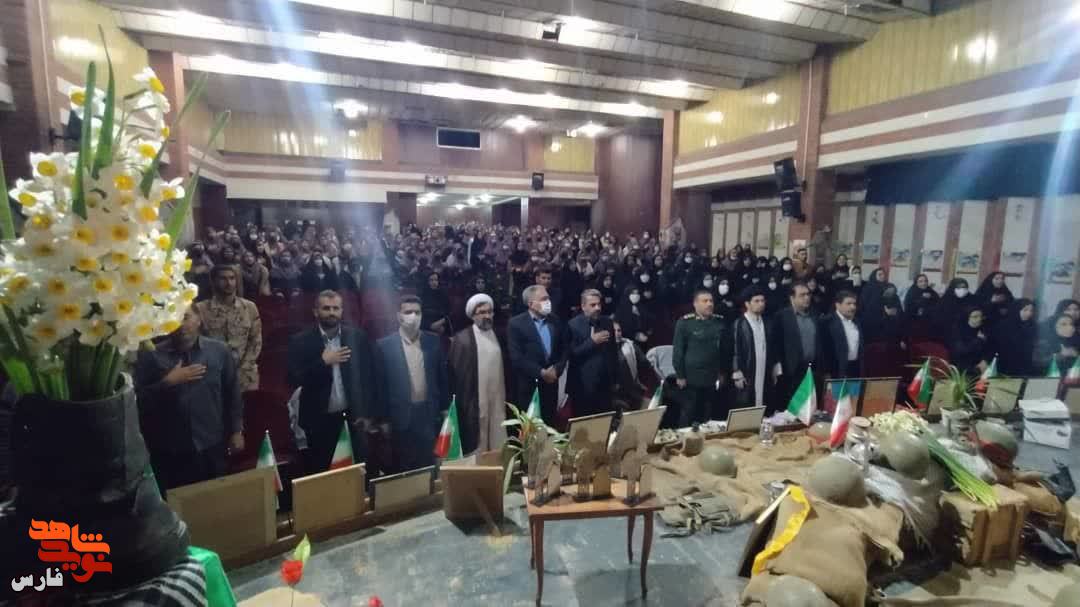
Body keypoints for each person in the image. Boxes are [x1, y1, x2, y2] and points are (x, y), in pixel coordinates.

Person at [135, 306, 243, 492]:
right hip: (170, 450)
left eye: (185, 317)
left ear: (199, 319)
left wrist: (236, 431)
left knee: (216, 498)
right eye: (174, 318)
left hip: (212, 443)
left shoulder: (219, 351)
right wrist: (168, 382)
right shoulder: (152, 356)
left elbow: (232, 392)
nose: (181, 324)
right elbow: (139, 401)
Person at [287, 290, 380, 474]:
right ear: (315, 311)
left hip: (353, 419)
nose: (331, 312)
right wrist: (323, 362)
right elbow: (292, 379)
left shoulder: (357, 337)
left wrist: (367, 413)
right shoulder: (300, 341)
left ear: (341, 311)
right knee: (324, 475)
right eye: (326, 308)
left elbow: (368, 377)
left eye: (336, 308)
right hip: (318, 422)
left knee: (357, 473)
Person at [376, 295, 449, 471]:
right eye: (408, 312)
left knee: (429, 464)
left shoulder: (433, 340)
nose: (413, 316)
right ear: (398, 316)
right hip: (400, 416)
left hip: (428, 413)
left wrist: (445, 408)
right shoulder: (384, 345)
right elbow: (380, 385)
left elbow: (441, 377)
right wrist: (383, 419)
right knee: (404, 467)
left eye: (417, 312)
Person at [448, 294, 506, 455]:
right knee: (477, 441)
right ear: (473, 316)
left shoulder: (500, 335)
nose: (487, 316)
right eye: (481, 312)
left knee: (498, 433)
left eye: (489, 312)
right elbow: (456, 376)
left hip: (498, 398)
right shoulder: (463, 339)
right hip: (474, 401)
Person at [196, 265, 263, 392]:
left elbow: (255, 341)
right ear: (214, 281)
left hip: (245, 374)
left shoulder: (249, 307)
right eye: (223, 279)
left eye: (232, 278)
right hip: (212, 373)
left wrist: (242, 369)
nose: (229, 283)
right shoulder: (201, 309)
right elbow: (196, 343)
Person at [508, 285, 568, 426]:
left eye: (548, 298)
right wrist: (541, 373)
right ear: (531, 304)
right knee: (530, 428)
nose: (548, 302)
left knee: (549, 425)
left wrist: (557, 369)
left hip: (551, 385)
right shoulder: (516, 324)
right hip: (529, 386)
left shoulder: (555, 320)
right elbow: (517, 357)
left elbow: (564, 349)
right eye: (544, 299)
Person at [672, 289, 731, 427]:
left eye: (711, 301)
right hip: (691, 378)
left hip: (711, 376)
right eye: (705, 301)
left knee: (707, 414)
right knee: (689, 413)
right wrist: (680, 375)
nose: (709, 304)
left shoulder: (719, 322)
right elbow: (678, 351)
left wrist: (722, 372)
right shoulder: (685, 323)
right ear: (695, 304)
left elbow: (723, 350)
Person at [567, 289, 618, 417]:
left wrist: (615, 379)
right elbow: (571, 354)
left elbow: (613, 353)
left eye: (599, 304)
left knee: (605, 420)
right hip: (582, 385)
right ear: (583, 306)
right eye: (593, 305)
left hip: (605, 384)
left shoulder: (607, 322)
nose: (597, 308)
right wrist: (592, 342)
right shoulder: (572, 325)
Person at [772, 282, 822, 405]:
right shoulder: (782, 316)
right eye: (802, 295)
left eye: (808, 294)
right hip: (791, 371)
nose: (807, 297)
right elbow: (775, 344)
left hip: (812, 369)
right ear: (792, 298)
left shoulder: (814, 315)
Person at [731, 287, 777, 411]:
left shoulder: (767, 322)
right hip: (747, 370)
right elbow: (735, 348)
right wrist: (737, 372)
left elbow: (773, 346)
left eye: (762, 301)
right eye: (756, 301)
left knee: (765, 400)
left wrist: (775, 367)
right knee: (747, 401)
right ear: (747, 304)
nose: (761, 304)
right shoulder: (740, 323)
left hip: (764, 368)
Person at [612, 320, 653, 411]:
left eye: (619, 330)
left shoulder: (629, 345)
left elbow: (645, 363)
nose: (617, 333)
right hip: (614, 394)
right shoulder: (603, 349)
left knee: (651, 406)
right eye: (614, 331)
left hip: (632, 390)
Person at [821, 290, 863, 378]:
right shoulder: (827, 322)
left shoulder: (857, 322)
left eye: (854, 304)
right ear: (838, 305)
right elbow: (824, 351)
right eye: (848, 304)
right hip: (836, 370)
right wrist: (826, 372)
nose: (853, 307)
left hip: (855, 369)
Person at [992, 299, 1038, 377]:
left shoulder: (1032, 325)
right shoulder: (1004, 325)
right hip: (1006, 367)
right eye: (1025, 310)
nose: (1029, 313)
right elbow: (999, 346)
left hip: (1025, 367)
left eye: (1031, 310)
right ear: (1017, 309)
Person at [948, 307, 993, 377]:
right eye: (975, 317)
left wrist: (985, 360)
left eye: (981, 316)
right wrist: (979, 340)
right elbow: (962, 350)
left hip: (981, 367)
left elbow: (990, 349)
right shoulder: (958, 331)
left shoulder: (984, 330)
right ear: (967, 318)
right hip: (962, 368)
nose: (979, 319)